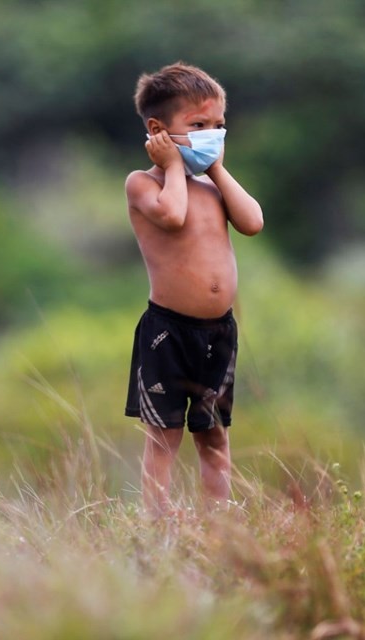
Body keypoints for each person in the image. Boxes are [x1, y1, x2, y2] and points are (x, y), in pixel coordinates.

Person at [123, 62, 264, 516]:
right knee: (164, 435)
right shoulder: (144, 184)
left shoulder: (212, 187)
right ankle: (157, 527)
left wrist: (217, 170)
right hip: (168, 332)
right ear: (158, 130)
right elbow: (173, 216)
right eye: (198, 126)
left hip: (217, 332)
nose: (211, 135)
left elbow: (253, 222)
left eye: (219, 126)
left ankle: (217, 527)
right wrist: (172, 165)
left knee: (214, 433)